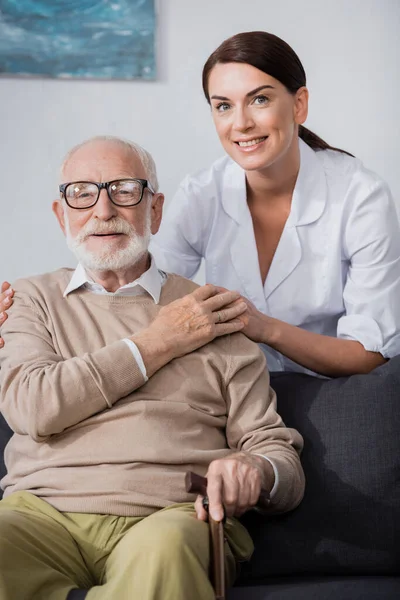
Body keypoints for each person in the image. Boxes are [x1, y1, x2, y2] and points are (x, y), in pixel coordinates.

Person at [0, 136, 304, 600]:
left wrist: (256, 470)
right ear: (62, 214)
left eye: (124, 190)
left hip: (169, 516)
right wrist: (160, 340)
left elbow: (279, 458)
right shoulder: (30, 299)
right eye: (82, 193)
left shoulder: (215, 312)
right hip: (42, 515)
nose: (103, 210)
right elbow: (33, 408)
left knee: (164, 551)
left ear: (155, 210)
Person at [2, 31, 399, 378]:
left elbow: (370, 354)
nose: (240, 123)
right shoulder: (204, 192)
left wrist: (264, 328)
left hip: (333, 391)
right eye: (223, 105)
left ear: (299, 105)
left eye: (259, 99)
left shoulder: (360, 197)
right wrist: (26, 319)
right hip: (229, 388)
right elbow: (142, 291)